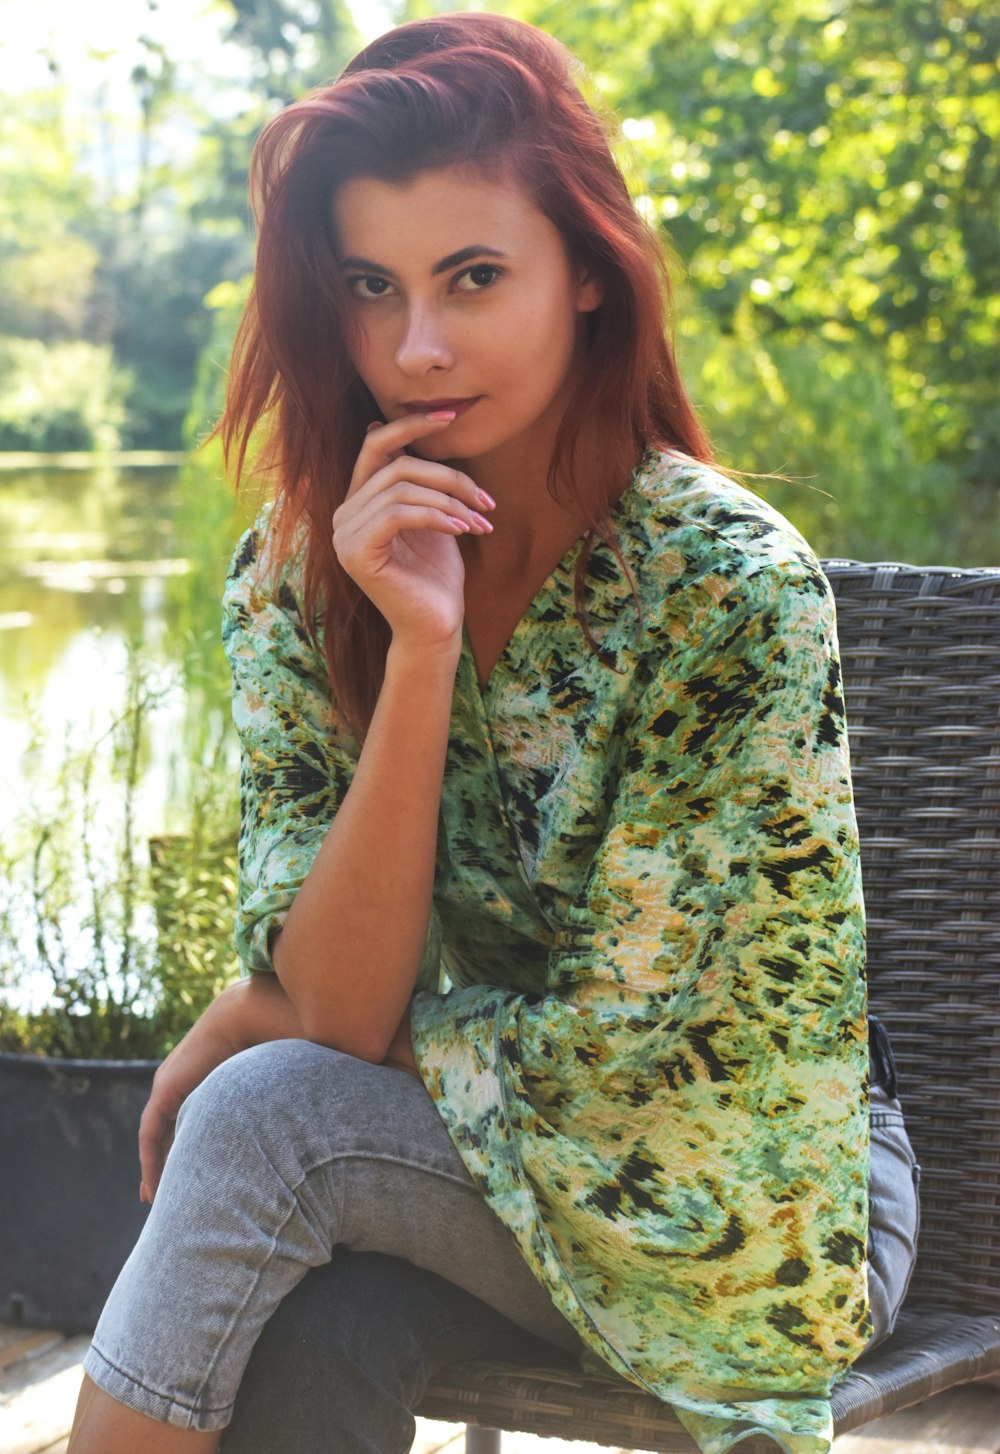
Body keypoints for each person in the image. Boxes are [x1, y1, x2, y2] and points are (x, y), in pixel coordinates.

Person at [67, 14, 919, 1454]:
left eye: (474, 277)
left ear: (586, 273)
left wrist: (259, 1016)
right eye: (370, 287)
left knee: (266, 1116)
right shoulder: (302, 569)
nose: (416, 346)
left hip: (760, 1191)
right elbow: (341, 1006)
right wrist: (420, 646)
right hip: (488, 1155)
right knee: (310, 1318)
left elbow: (647, 1056)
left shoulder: (728, 593)